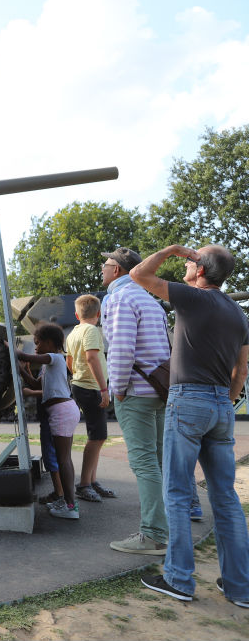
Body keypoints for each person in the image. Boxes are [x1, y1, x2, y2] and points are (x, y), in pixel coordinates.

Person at [130, 244, 249, 608]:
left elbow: (138, 275)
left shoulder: (195, 299)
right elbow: (240, 371)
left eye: (191, 259)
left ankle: (179, 579)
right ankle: (240, 588)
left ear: (201, 270)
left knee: (179, 492)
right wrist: (225, 401)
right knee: (226, 498)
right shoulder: (239, 315)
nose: (186, 262)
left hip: (188, 401)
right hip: (221, 405)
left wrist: (170, 250)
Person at [101, 247, 172, 555]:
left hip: (135, 393)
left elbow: (120, 347)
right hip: (158, 389)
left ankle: (153, 534)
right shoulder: (151, 300)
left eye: (106, 265)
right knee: (156, 463)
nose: (102, 270)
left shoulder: (118, 298)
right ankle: (163, 528)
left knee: (144, 464)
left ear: (117, 270)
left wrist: (116, 388)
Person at [17, 323, 81, 519]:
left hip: (61, 411)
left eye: (38, 344)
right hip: (62, 411)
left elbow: (27, 356)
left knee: (63, 460)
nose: (35, 348)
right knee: (63, 459)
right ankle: (67, 501)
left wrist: (10, 347)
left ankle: (71, 506)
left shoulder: (55, 357)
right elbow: (36, 384)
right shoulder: (48, 365)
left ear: (50, 343)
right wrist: (22, 371)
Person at [64, 294, 116, 502]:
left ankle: (92, 481)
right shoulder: (92, 330)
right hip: (92, 388)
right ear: (99, 314)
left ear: (77, 314)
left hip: (81, 385)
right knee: (97, 436)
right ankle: (85, 484)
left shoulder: (73, 333)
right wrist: (103, 389)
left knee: (97, 435)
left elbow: (69, 361)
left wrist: (79, 374)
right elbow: (92, 356)